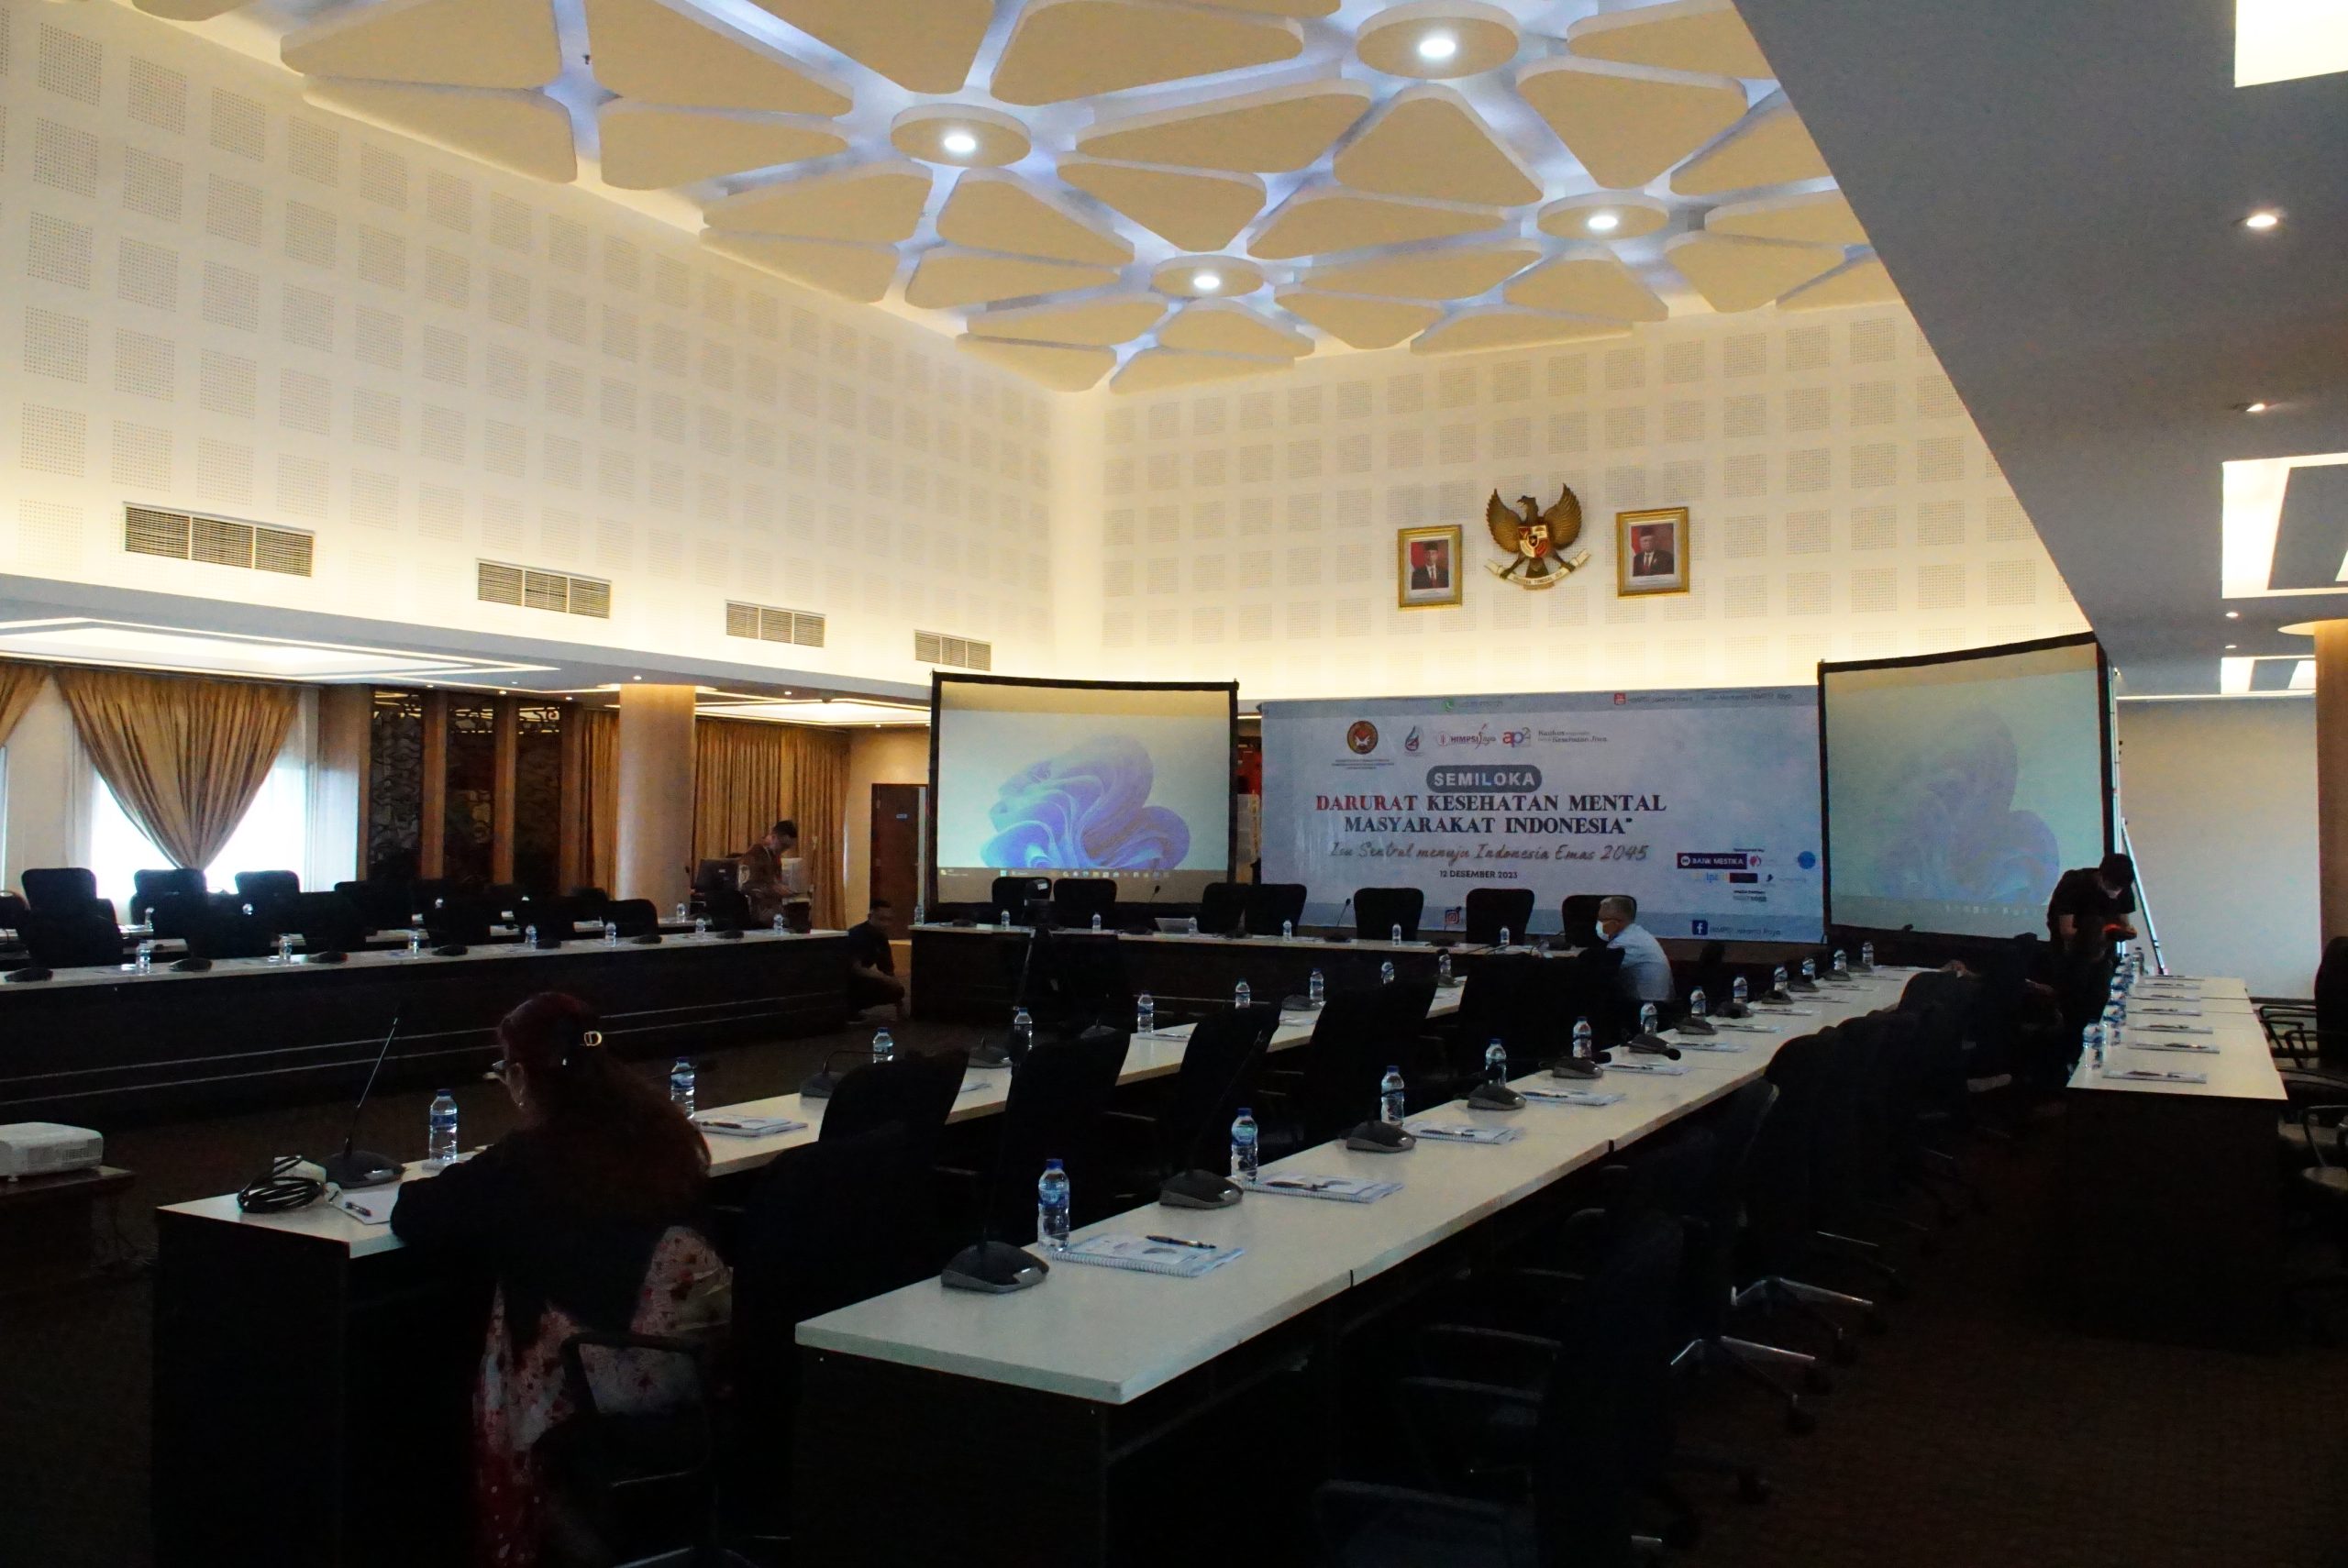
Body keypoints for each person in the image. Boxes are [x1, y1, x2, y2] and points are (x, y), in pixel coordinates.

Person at [393, 993, 725, 1567]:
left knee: (515, 1323)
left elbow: (417, 1215)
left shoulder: (528, 1159)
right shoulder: (665, 1131)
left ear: (521, 1076)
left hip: (612, 1373)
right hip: (704, 1360)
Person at [2046, 852, 2139, 1044]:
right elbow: (2066, 931)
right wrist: (2099, 933)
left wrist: (2124, 932)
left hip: (2103, 953)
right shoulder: (2075, 883)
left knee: (2101, 1002)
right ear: (2101, 876)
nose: (2116, 894)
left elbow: (2124, 922)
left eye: (2120, 889)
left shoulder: (2123, 884)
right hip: (2072, 953)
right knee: (2074, 1008)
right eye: (2112, 888)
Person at [1594, 894, 1674, 1004]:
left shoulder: (1625, 942)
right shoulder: (1636, 934)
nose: (1599, 924)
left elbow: (1597, 971)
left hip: (1647, 1006)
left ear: (1618, 921)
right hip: (1652, 1002)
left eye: (1603, 920)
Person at [740, 819, 811, 932]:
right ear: (773, 837)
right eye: (783, 845)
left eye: (787, 847)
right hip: (757, 914)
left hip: (772, 911)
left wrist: (781, 888)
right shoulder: (755, 854)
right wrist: (773, 889)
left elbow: (773, 881)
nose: (783, 850)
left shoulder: (774, 856)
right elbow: (745, 886)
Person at [846, 898, 909, 1022]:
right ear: (870, 917)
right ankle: (847, 1008)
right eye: (881, 919)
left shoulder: (881, 938)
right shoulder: (857, 935)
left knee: (895, 989)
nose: (886, 924)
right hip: (844, 979)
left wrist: (899, 1005)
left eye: (889, 920)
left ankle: (852, 1008)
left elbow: (888, 969)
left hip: (860, 979)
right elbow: (856, 969)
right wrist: (885, 978)